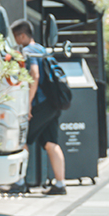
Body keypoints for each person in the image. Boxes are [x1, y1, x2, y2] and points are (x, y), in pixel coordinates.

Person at [10, 19, 66, 197]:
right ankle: (60, 184)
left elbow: (34, 75)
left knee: (22, 140)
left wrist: (28, 104)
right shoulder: (42, 49)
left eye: (16, 38)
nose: (16, 42)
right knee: (51, 143)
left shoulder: (28, 51)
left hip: (40, 104)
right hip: (53, 103)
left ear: (23, 36)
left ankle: (19, 182)